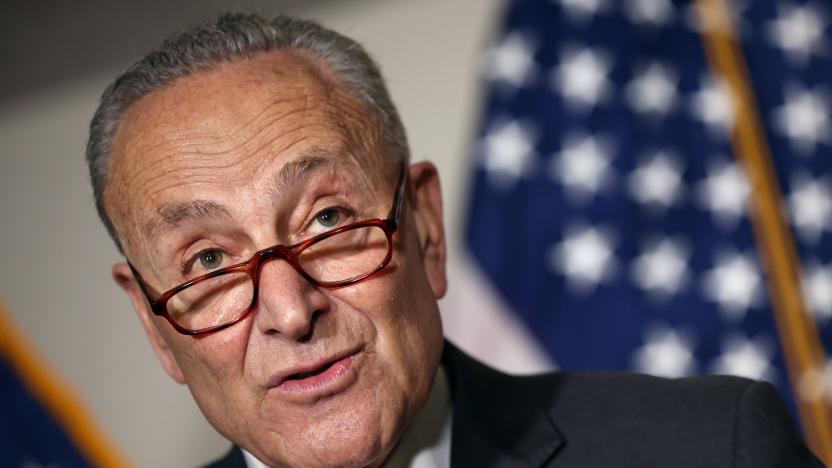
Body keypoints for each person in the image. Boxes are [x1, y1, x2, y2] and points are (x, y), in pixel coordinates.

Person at [85, 12, 824, 468]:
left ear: (426, 228)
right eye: (208, 261)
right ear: (155, 324)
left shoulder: (706, 449)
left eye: (327, 220)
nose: (288, 310)